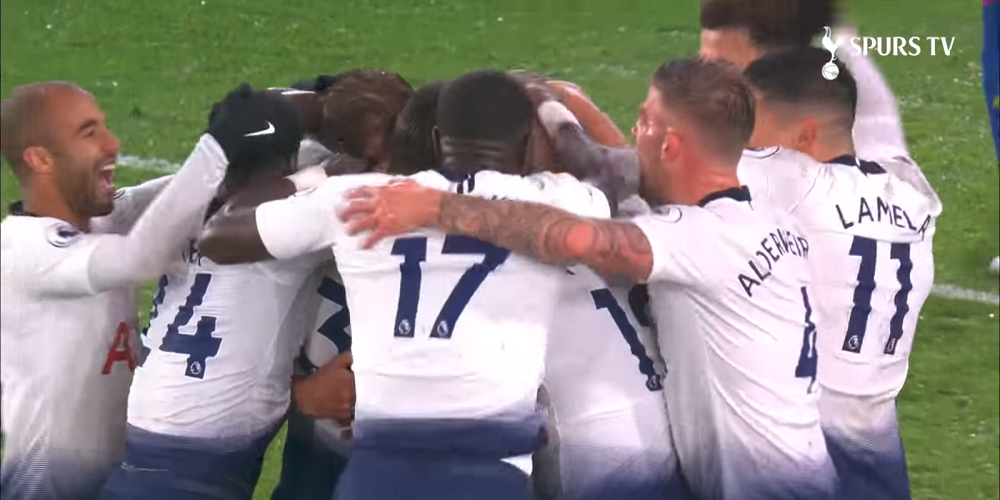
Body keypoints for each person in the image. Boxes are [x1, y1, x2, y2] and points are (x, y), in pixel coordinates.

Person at [340, 58, 837, 500]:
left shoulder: (690, 239)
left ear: (670, 144)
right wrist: (559, 105)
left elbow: (576, 237)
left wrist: (437, 206)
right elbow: (611, 170)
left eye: (644, 120)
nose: (632, 132)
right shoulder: (757, 218)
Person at [197, 69, 611, 500]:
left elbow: (219, 235)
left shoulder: (360, 197)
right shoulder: (558, 205)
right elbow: (604, 175)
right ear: (526, 145)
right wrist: (550, 104)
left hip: (376, 476)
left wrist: (320, 170)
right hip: (483, 480)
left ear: (434, 138)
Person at [0, 80, 255, 500]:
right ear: (40, 159)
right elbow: (141, 257)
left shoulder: (91, 222)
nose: (113, 143)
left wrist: (243, 161)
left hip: (116, 480)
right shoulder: (26, 250)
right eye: (89, 133)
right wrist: (216, 147)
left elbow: (154, 201)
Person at [95, 85, 329, 500]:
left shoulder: (175, 199)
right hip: (201, 451)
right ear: (290, 160)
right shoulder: (289, 224)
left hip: (145, 419)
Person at [739, 46, 941, 500]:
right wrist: (846, 45)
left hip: (801, 442)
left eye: (750, 122)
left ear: (804, 136)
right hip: (876, 448)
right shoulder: (913, 198)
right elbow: (883, 128)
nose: (741, 137)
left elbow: (669, 166)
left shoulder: (789, 180)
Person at [516, 80, 685, 500]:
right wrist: (565, 104)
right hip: (678, 467)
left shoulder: (512, 265)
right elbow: (620, 168)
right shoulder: (644, 223)